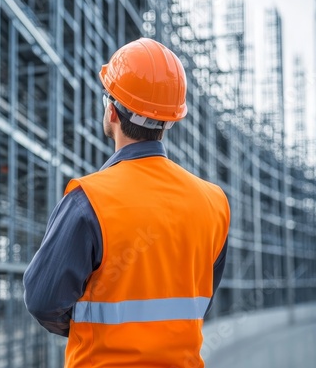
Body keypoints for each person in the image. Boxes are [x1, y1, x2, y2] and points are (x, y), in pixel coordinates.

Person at [23, 38, 230, 368]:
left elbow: (43, 301)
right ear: (170, 120)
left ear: (111, 110)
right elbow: (197, 299)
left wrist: (89, 323)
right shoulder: (214, 203)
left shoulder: (88, 200)